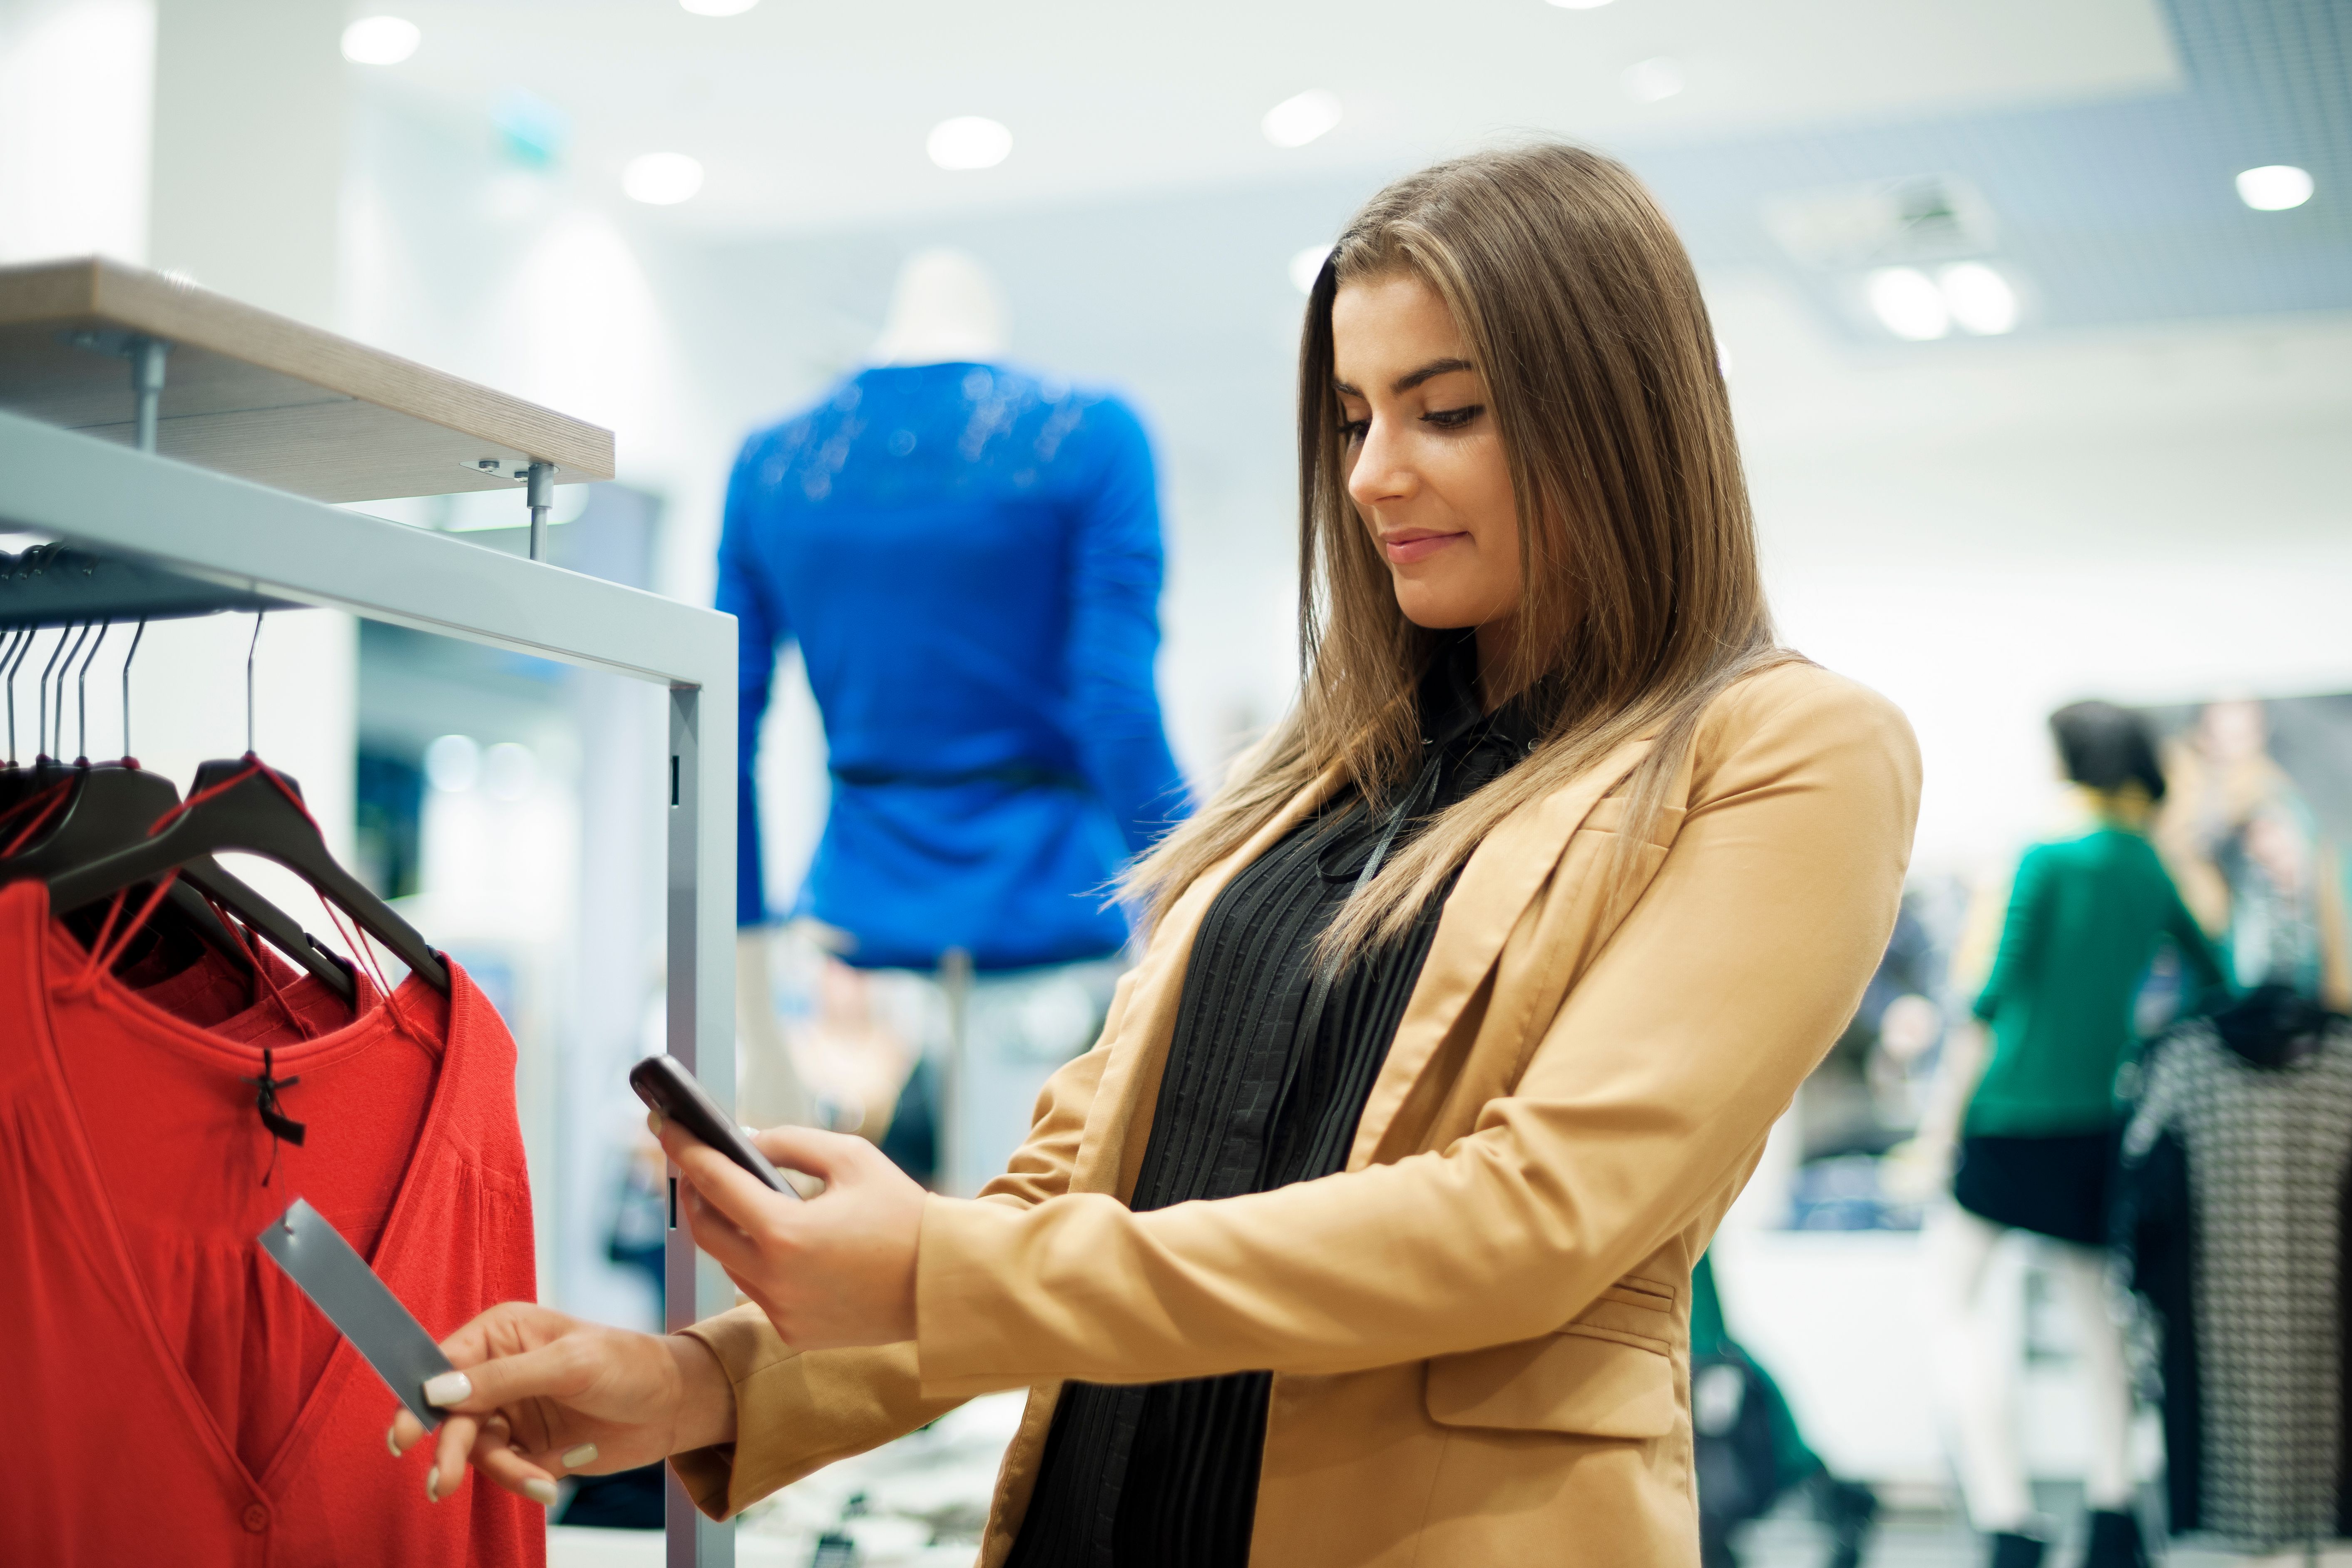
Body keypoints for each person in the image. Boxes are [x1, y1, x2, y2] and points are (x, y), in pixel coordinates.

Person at [385, 143, 1921, 1565]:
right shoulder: (1317, 779)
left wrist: (930, 1267)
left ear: (1616, 414)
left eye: (1444, 410)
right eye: (1352, 417)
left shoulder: (1785, 754)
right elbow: (1077, 1175)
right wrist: (693, 1378)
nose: (1375, 473)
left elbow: (1527, 1219)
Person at [725, 247, 1191, 1191]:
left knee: (863, 1288)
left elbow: (716, 724)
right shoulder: (1092, 435)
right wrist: (1210, 890)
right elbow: (1115, 705)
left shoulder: (771, 463)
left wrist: (742, 961)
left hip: (856, 940)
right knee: (1029, 1268)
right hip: (1048, 932)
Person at [1919, 701, 2229, 1568]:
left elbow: (1990, 1002)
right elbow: (2218, 978)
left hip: (2005, 1116)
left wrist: (1940, 1129)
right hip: (2096, 1122)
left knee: (1951, 1309)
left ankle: (2007, 1517)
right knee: (2099, 1322)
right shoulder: (2147, 867)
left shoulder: (2044, 860)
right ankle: (2112, 1512)